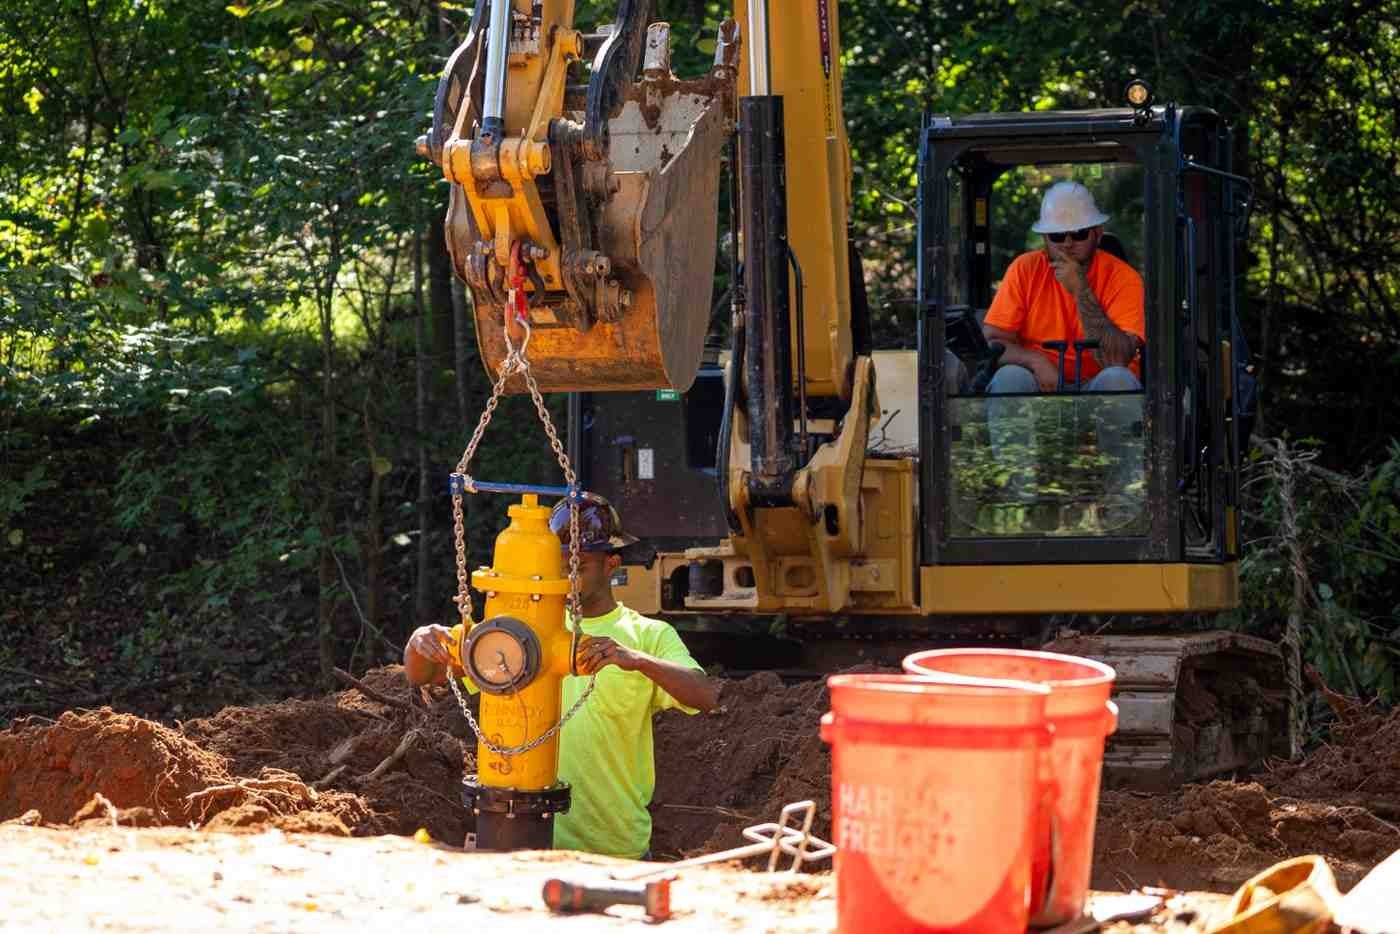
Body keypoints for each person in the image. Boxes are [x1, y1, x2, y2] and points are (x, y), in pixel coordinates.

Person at [403, 494, 720, 859]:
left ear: (611, 564)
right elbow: (424, 675)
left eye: (579, 566)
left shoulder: (648, 636)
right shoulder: (520, 632)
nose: (566, 578)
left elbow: (705, 696)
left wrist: (636, 660)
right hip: (518, 842)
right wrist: (420, 643)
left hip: (613, 849)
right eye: (558, 565)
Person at [980, 181, 1146, 509]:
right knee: (1009, 377)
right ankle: (1019, 500)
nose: (1067, 245)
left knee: (1120, 381)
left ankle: (1124, 503)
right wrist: (1034, 361)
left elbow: (1117, 358)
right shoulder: (1024, 270)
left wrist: (1080, 290)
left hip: (1098, 388)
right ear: (1044, 238)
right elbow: (992, 341)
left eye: (1078, 234)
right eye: (1057, 236)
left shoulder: (1123, 279)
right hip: (1040, 390)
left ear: (1097, 233)